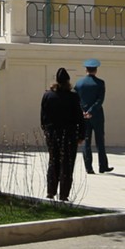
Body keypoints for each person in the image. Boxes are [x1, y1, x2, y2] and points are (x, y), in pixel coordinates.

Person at [40, 68, 84, 201]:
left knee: (54, 161)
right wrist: (81, 135)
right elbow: (79, 117)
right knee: (67, 163)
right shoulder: (73, 97)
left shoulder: (47, 96)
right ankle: (64, 194)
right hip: (69, 134)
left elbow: (43, 117)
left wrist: (46, 131)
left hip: (52, 133)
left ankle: (51, 191)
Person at [75, 58, 112, 174]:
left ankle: (88, 167)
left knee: (86, 141)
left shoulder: (79, 83)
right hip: (97, 115)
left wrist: (83, 112)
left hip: (83, 116)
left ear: (86, 69)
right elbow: (100, 100)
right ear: (96, 70)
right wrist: (91, 111)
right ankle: (103, 166)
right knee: (100, 140)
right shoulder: (100, 83)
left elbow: (76, 100)